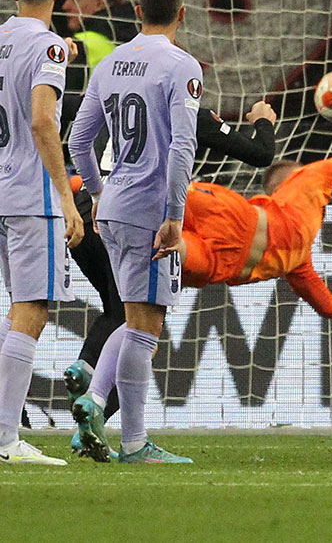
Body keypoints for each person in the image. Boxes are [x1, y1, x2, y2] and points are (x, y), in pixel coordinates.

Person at [69, 106, 332, 462]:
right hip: (221, 244)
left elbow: (327, 304)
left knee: (140, 314)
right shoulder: (313, 183)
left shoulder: (300, 262)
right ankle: (98, 402)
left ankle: (95, 402)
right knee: (142, 307)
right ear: (286, 179)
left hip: (216, 237)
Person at [61, 98, 278, 436]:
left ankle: (87, 379)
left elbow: (76, 140)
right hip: (137, 218)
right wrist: (263, 121)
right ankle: (98, 398)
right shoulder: (187, 113)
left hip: (87, 211)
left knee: (118, 314)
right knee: (142, 327)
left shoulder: (117, 100)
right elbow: (261, 154)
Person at [68, 0, 199, 464]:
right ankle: (134, 443)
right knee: (146, 328)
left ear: (138, 10)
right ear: (181, 14)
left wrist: (98, 193)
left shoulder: (111, 63)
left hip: (113, 206)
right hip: (150, 210)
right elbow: (182, 146)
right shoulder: (181, 65)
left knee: (132, 318)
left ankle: (97, 401)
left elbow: (79, 142)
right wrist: (175, 214)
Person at [0, 0, 85, 465]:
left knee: (14, 310)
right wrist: (66, 197)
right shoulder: (48, 48)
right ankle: (6, 438)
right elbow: (40, 122)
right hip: (33, 196)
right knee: (32, 310)